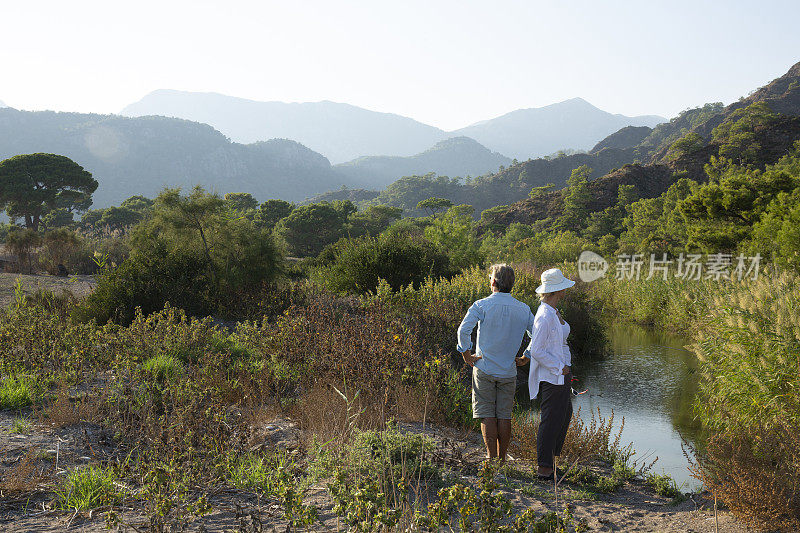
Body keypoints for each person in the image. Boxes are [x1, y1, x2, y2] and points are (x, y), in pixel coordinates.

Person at [457, 264, 533, 463]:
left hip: (484, 368)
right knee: (504, 415)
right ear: (512, 284)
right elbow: (538, 335)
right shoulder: (523, 308)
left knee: (487, 414)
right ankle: (502, 458)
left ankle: (491, 458)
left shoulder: (481, 305)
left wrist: (466, 354)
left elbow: (463, 331)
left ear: (493, 282)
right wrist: (527, 355)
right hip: (509, 370)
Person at [518, 267, 576, 480]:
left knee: (563, 414)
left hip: (560, 374)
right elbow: (537, 350)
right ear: (557, 291)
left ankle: (550, 462)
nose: (565, 291)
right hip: (553, 375)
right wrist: (558, 367)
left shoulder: (552, 312)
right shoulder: (544, 315)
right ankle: (544, 468)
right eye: (562, 288)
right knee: (551, 418)